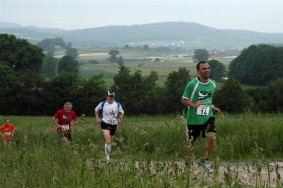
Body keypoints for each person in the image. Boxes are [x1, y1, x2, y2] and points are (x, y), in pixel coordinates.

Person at [181, 61, 220, 173]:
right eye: (204, 69)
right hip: (193, 119)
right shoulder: (192, 84)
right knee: (191, 143)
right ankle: (188, 165)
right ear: (198, 71)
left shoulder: (213, 83)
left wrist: (213, 107)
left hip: (208, 116)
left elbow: (208, 99)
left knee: (212, 138)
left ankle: (205, 161)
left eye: (208, 68)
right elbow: (183, 99)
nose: (207, 70)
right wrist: (194, 105)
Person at [95, 91, 124, 163]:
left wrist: (120, 118)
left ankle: (107, 154)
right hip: (104, 123)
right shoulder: (103, 104)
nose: (111, 98)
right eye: (109, 96)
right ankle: (107, 157)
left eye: (112, 97)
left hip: (114, 124)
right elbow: (96, 110)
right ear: (106, 97)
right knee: (108, 140)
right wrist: (97, 118)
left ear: (114, 97)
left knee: (110, 142)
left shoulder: (117, 104)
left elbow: (122, 112)